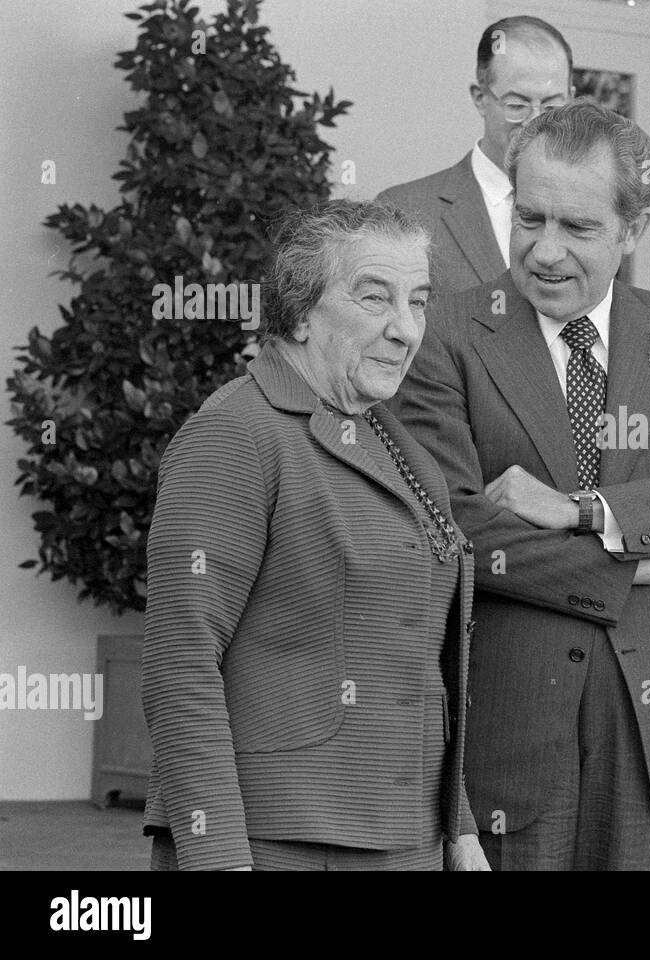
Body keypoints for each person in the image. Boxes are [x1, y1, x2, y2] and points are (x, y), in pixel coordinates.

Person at [391, 101, 650, 870]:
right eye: (529, 218)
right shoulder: (446, 332)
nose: (545, 251)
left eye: (579, 228)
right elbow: (457, 524)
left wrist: (589, 512)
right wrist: (635, 558)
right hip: (510, 718)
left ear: (632, 232)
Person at [141, 200, 488, 871]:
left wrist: (459, 825)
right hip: (278, 846)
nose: (406, 329)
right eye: (374, 298)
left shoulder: (400, 446)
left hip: (407, 841)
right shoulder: (235, 434)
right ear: (299, 313)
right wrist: (216, 858)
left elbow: (414, 661)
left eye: (418, 301)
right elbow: (181, 663)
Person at [377, 16, 574, 293]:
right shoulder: (404, 209)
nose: (536, 122)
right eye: (517, 104)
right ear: (480, 98)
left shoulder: (590, 208)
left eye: (552, 107)